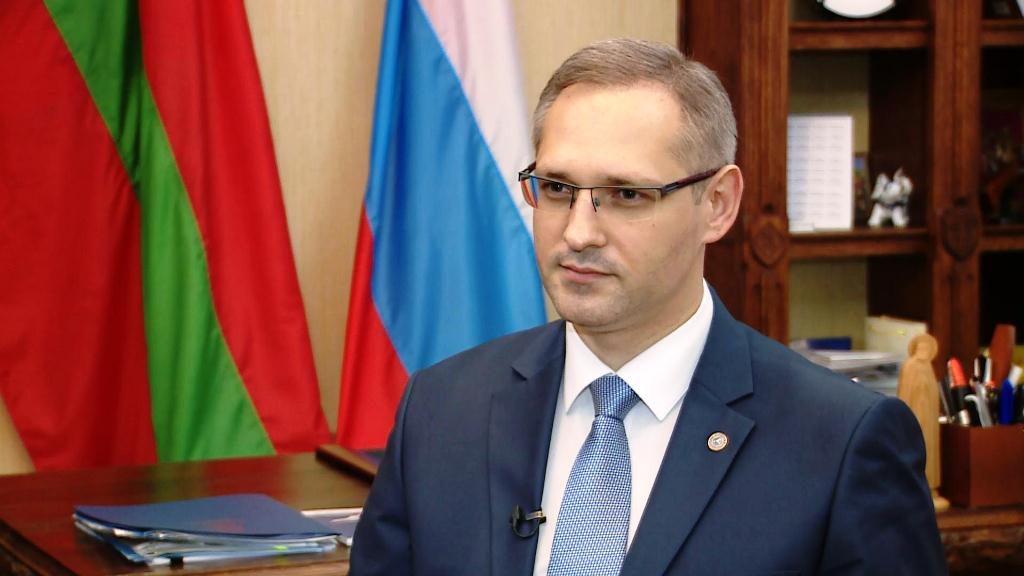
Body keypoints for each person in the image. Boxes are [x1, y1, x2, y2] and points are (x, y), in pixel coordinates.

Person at [350, 38, 945, 575]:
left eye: (627, 194)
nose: (578, 233)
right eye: (556, 189)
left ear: (718, 204)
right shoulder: (440, 411)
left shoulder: (841, 442)